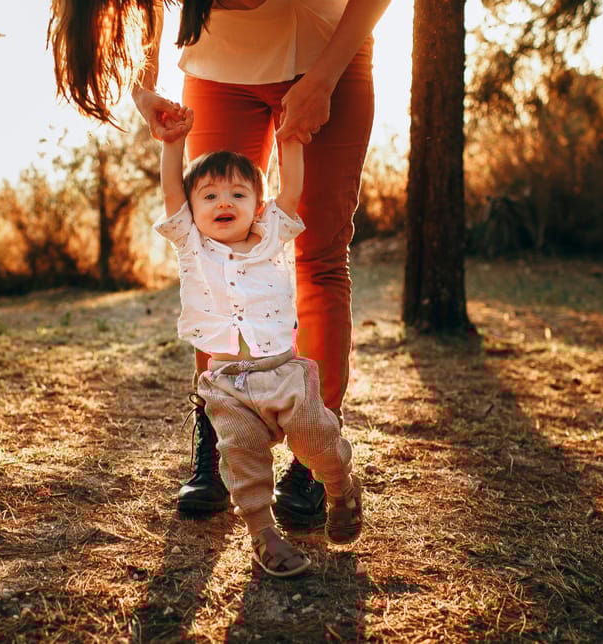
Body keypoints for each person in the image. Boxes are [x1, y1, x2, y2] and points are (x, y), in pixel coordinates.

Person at [48, 0, 390, 527]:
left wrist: (323, 79)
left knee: (317, 258)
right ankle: (217, 444)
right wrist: (143, 88)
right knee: (213, 255)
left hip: (329, 49)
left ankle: (313, 456)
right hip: (218, 67)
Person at [153, 103, 363, 576]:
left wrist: (291, 142)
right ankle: (264, 536)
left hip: (283, 374)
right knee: (241, 454)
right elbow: (170, 191)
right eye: (209, 196)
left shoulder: (271, 238)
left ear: (257, 206)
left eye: (237, 194)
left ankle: (340, 488)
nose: (222, 203)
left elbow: (292, 190)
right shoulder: (191, 245)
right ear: (191, 209)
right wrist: (173, 144)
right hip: (226, 383)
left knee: (318, 440)